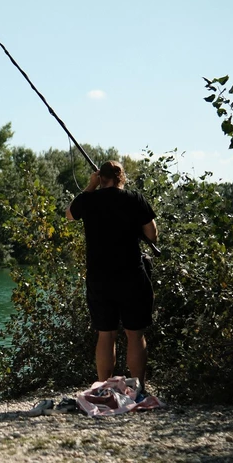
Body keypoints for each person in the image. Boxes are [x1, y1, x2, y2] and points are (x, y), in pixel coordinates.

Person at [66, 160, 158, 395]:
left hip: (99, 278)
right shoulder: (134, 199)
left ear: (100, 178)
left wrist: (89, 186)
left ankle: (104, 389)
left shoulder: (88, 200)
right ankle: (139, 389)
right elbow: (152, 234)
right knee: (135, 334)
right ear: (121, 178)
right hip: (131, 275)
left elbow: (69, 214)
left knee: (105, 334)